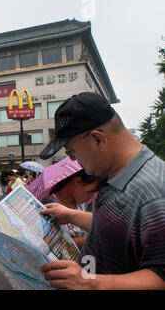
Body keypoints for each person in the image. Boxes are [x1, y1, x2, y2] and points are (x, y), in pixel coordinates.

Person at [39, 92, 165, 290]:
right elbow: (126, 229)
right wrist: (70, 215)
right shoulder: (113, 172)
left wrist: (90, 283)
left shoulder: (154, 193)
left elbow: (160, 277)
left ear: (97, 139)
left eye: (72, 150)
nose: (72, 159)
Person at [42, 169, 101, 248]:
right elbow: (55, 245)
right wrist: (93, 239)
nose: (91, 196)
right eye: (90, 191)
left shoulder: (82, 204)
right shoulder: (50, 206)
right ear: (78, 182)